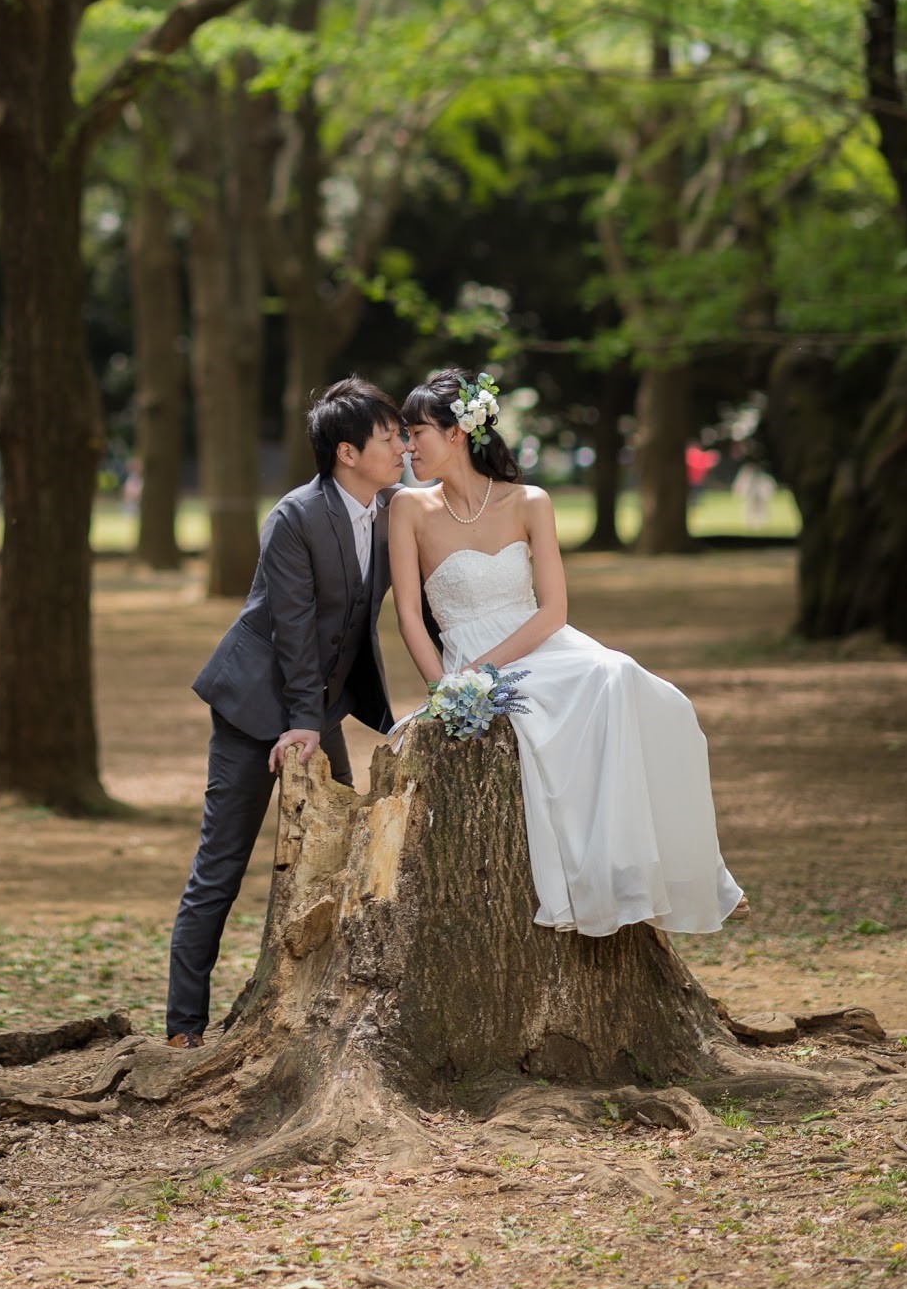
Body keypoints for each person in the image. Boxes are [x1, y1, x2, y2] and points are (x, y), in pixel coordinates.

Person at [389, 366, 744, 939]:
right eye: (405, 435)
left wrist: (483, 671)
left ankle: (676, 874)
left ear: (456, 433)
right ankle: (607, 878)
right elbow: (409, 613)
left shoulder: (530, 501)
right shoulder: (409, 508)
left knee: (635, 685)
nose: (407, 446)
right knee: (576, 705)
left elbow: (553, 610)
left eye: (416, 433)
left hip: (541, 645)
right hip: (465, 657)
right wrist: (445, 690)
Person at [164, 377, 409, 1047]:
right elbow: (293, 630)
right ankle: (183, 1028)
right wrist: (302, 722)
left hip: (318, 706)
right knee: (221, 864)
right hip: (256, 706)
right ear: (346, 453)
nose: (401, 448)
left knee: (339, 856)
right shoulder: (294, 517)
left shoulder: (392, 511)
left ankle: (315, 1014)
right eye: (389, 437)